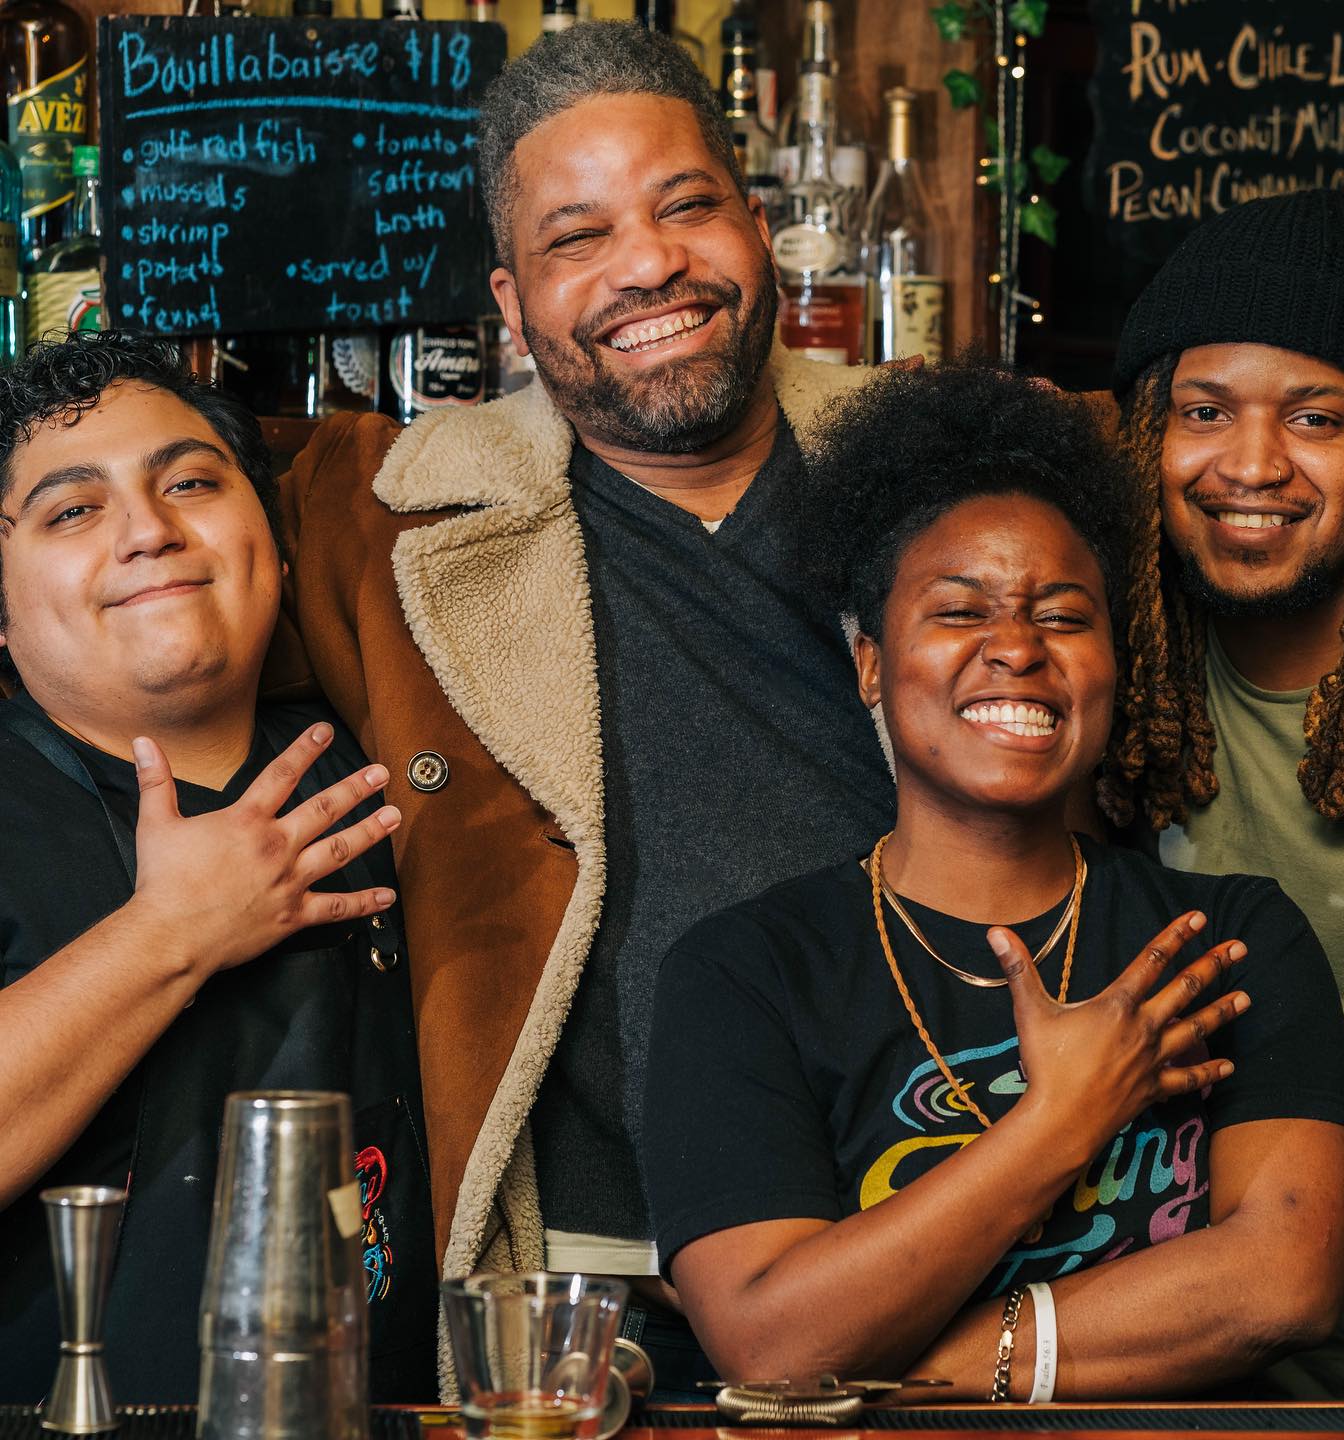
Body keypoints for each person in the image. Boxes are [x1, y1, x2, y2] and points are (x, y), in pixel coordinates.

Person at [273, 20, 895, 1377]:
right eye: (577, 238)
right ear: (507, 305)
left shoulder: (932, 471)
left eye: (686, 207)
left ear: (755, 220)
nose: (649, 263)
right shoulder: (381, 526)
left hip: (931, 1217)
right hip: (580, 1294)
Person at [642, 358, 1344, 1399]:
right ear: (870, 664)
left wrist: (919, 1369)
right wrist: (1061, 1122)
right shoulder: (744, 973)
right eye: (958, 611)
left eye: (1066, 616)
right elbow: (768, 1340)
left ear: (1114, 662)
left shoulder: (1230, 935)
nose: (1018, 649)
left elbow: (1284, 1281)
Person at [0, 332, 435, 1404]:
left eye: (191, 482)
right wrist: (172, 930)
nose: (150, 531)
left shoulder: (410, 776)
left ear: (278, 548)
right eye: (72, 509)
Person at [1107, 188, 1344, 1399]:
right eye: (1204, 411)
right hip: (1205, 1379)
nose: (1250, 465)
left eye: (1316, 417)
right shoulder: (1111, 686)